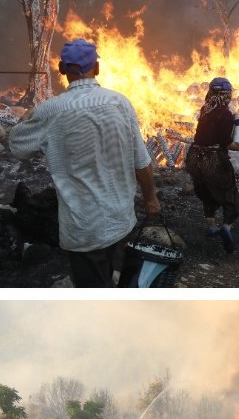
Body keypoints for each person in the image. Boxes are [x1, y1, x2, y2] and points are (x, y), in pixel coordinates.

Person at [9, 38, 161, 287]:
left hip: (84, 229)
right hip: (121, 220)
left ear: (61, 68)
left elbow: (18, 147)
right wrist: (150, 199)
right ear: (97, 69)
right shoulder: (120, 103)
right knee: (115, 281)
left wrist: (28, 116)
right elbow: (141, 161)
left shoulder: (51, 110)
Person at [185, 77, 239, 253]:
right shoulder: (225, 115)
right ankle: (226, 227)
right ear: (227, 94)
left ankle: (211, 226)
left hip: (194, 158)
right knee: (229, 194)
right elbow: (227, 143)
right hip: (212, 160)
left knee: (206, 190)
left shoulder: (205, 109)